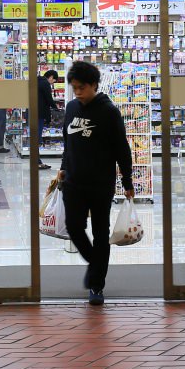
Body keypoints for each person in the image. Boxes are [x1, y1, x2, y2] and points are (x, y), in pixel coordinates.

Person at [58, 60, 133, 306]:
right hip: (73, 181)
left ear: (93, 85)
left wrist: (127, 179)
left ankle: (96, 286)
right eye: (74, 88)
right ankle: (95, 263)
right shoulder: (70, 108)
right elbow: (67, 143)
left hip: (101, 183)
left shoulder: (109, 111)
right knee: (74, 227)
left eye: (81, 88)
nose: (77, 92)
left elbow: (122, 149)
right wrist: (62, 168)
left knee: (101, 234)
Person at [33, 69, 59, 171]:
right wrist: (55, 107)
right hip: (39, 114)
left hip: (33, 112)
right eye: (54, 81)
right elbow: (49, 99)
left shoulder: (37, 81)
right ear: (51, 77)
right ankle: (37, 162)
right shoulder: (45, 83)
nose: (53, 83)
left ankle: (37, 161)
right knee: (37, 138)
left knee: (35, 137)